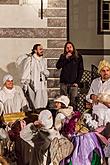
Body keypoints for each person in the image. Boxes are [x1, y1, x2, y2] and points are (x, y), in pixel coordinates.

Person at [20, 44, 49, 111]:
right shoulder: (30, 60)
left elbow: (46, 72)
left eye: (42, 49)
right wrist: (25, 83)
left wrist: (44, 72)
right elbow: (26, 72)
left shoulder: (43, 60)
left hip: (42, 84)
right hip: (34, 84)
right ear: (35, 50)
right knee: (35, 102)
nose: (42, 51)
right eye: (40, 49)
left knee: (43, 100)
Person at [56, 41, 84, 109]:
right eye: (67, 47)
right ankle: (63, 117)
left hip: (73, 83)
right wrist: (66, 58)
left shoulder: (78, 57)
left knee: (73, 102)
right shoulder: (63, 56)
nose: (69, 49)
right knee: (63, 102)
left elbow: (81, 70)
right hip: (64, 83)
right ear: (65, 49)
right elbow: (58, 66)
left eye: (70, 47)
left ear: (73, 48)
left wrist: (77, 82)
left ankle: (73, 118)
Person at [86, 60, 110, 127]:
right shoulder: (95, 82)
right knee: (96, 132)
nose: (106, 72)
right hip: (96, 111)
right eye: (103, 71)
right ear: (100, 72)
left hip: (108, 112)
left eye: (107, 70)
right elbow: (87, 96)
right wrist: (92, 96)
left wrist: (104, 100)